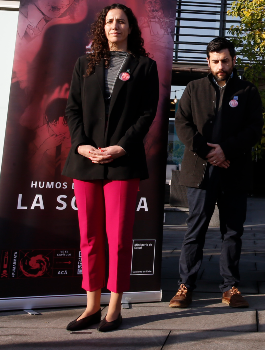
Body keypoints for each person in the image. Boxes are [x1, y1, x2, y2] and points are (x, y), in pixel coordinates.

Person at [62, 3, 159, 332]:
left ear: (130, 27)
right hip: (85, 160)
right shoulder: (84, 64)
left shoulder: (145, 66)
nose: (115, 26)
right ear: (102, 28)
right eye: (109, 21)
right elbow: (72, 109)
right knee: (89, 237)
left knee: (118, 238)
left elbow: (147, 114)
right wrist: (80, 144)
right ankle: (91, 306)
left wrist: (121, 147)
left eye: (121, 21)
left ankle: (114, 308)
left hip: (123, 162)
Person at [169, 37, 263, 309]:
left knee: (232, 232)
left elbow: (253, 129)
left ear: (233, 60)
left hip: (234, 170)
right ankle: (185, 286)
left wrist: (226, 151)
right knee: (195, 229)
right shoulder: (193, 88)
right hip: (200, 172)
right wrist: (208, 152)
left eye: (225, 60)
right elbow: (183, 124)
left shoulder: (247, 91)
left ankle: (230, 287)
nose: (220, 66)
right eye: (215, 61)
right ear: (208, 62)